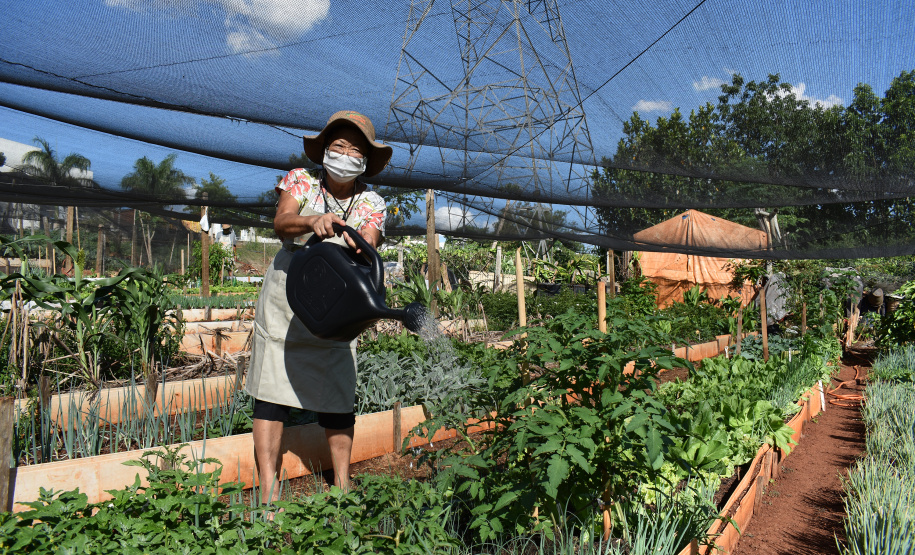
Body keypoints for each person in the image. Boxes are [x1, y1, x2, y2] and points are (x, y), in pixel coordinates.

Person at [245, 111, 390, 501]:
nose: (345, 155)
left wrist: (355, 240)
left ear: (365, 161)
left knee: (337, 393)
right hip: (286, 296)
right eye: (338, 146)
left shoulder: (372, 201)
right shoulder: (302, 181)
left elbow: (369, 241)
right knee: (271, 392)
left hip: (336, 302)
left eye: (355, 150)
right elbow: (282, 222)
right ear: (325, 149)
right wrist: (312, 222)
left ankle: (342, 485)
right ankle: (268, 491)